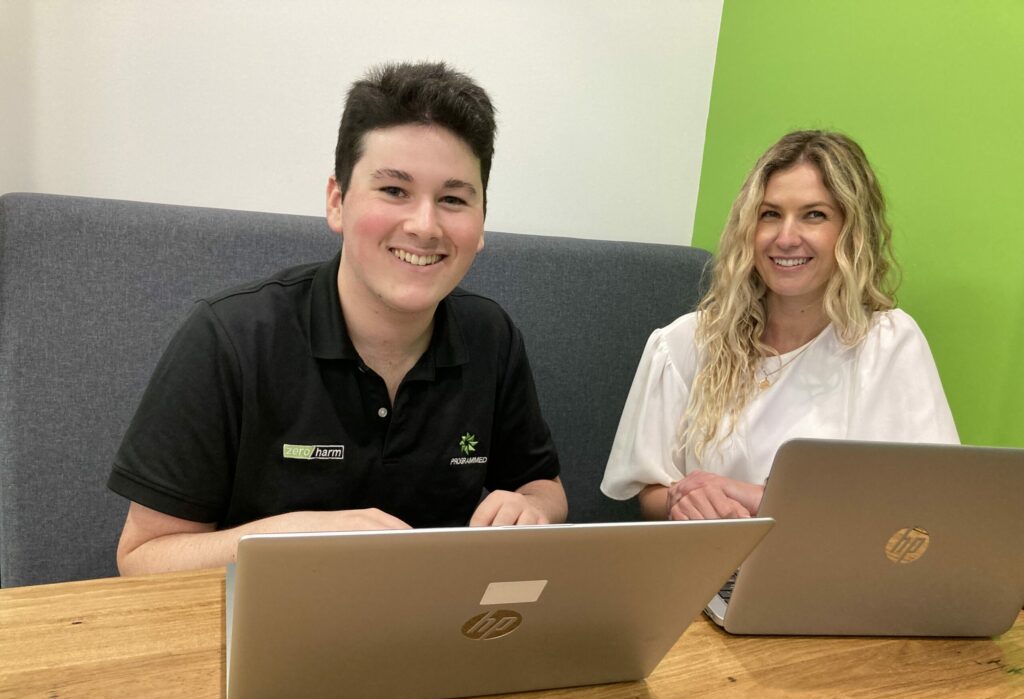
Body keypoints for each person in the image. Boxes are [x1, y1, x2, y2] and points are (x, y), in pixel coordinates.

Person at [109, 62, 567, 575]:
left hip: (434, 629)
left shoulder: (492, 337)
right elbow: (141, 558)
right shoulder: (231, 338)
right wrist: (294, 535)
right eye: (394, 190)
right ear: (337, 202)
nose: (424, 225)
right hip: (261, 635)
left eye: (453, 199)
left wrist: (533, 509)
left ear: (482, 222)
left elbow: (542, 486)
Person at [601, 130, 958, 521]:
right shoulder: (686, 342)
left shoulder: (888, 344)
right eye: (770, 214)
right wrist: (682, 501)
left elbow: (924, 501)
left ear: (852, 232)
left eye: (814, 215)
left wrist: (754, 497)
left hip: (833, 574)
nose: (786, 238)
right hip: (712, 570)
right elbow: (651, 488)